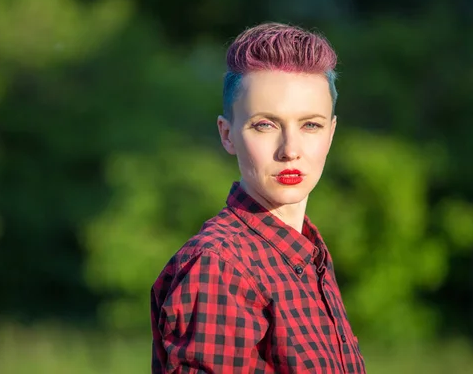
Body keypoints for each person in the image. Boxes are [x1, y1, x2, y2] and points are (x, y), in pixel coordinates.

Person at [150, 22, 366, 373]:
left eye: (310, 125)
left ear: (331, 133)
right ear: (227, 134)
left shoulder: (309, 254)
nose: (290, 150)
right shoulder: (219, 265)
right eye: (265, 125)